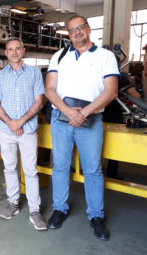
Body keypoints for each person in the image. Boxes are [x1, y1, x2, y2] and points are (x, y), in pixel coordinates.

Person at [45, 15, 119, 241]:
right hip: (61, 119)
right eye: (72, 30)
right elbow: (50, 89)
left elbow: (111, 91)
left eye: (80, 28)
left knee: (93, 170)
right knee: (60, 166)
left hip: (92, 120)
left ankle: (96, 216)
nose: (76, 32)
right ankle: (59, 209)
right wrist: (68, 112)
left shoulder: (106, 56)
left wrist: (83, 113)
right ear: (68, 34)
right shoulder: (59, 56)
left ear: (88, 29)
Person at [0, 38, 47, 231]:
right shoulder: (0, 76)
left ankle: (34, 210)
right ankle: (13, 203)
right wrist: (10, 123)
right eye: (10, 49)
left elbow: (39, 101)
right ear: (5, 52)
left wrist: (20, 122)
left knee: (31, 171)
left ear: (23, 50)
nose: (14, 52)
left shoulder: (34, 73)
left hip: (28, 130)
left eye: (17, 49)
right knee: (10, 168)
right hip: (6, 131)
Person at [103, 73, 141, 179]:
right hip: (113, 115)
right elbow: (136, 96)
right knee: (114, 145)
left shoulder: (95, 73)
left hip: (94, 113)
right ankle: (111, 172)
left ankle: (94, 169)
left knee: (93, 144)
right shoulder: (119, 77)